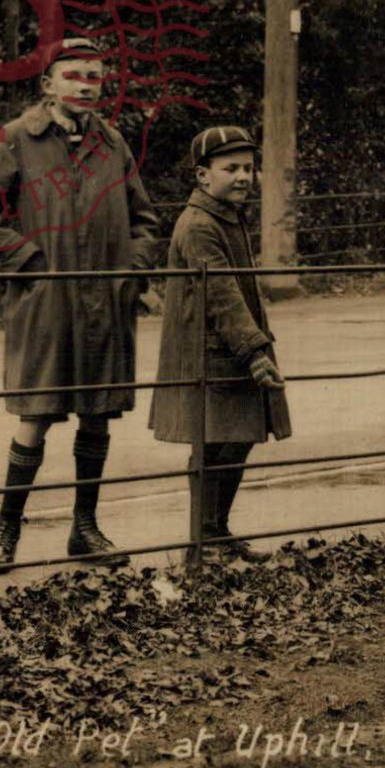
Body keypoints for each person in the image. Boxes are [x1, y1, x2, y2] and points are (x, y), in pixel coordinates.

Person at [0, 37, 162, 572]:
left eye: (95, 77)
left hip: (106, 304)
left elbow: (145, 220)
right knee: (37, 415)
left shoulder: (113, 143)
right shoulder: (17, 139)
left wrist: (134, 272)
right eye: (74, 76)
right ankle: (5, 534)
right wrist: (27, 261)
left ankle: (85, 529)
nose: (87, 86)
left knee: (98, 417)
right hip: (46, 304)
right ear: (48, 85)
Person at [149, 126, 292, 561]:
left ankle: (214, 531)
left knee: (237, 437)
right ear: (202, 175)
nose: (244, 176)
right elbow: (221, 292)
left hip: (228, 346)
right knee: (213, 441)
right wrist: (254, 350)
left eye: (248, 167)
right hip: (210, 351)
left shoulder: (226, 216)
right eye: (230, 168)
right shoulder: (199, 224)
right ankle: (201, 542)